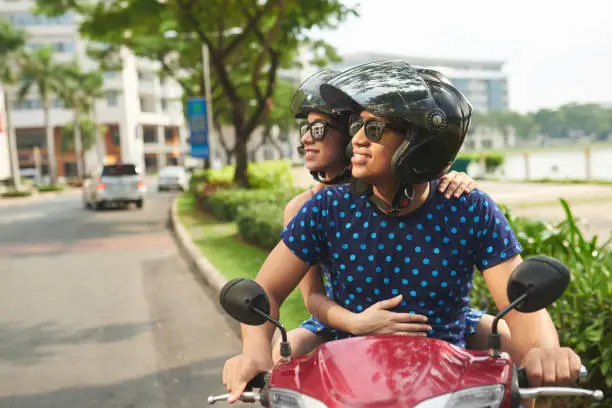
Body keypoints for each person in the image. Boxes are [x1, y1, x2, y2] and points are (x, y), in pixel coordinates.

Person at [222, 60, 581, 404]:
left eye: (374, 129)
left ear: (420, 144)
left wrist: (545, 354)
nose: (357, 140)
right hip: (346, 373)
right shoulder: (326, 208)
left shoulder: (468, 207)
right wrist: (254, 353)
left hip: (450, 380)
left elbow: (518, 305)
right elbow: (266, 288)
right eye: (356, 127)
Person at [272, 69, 507, 362]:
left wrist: (443, 174)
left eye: (318, 129)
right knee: (288, 351)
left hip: (433, 323)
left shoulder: (456, 202)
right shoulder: (318, 207)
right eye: (357, 125)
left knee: (504, 337)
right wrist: (354, 322)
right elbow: (309, 297)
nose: (306, 139)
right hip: (345, 317)